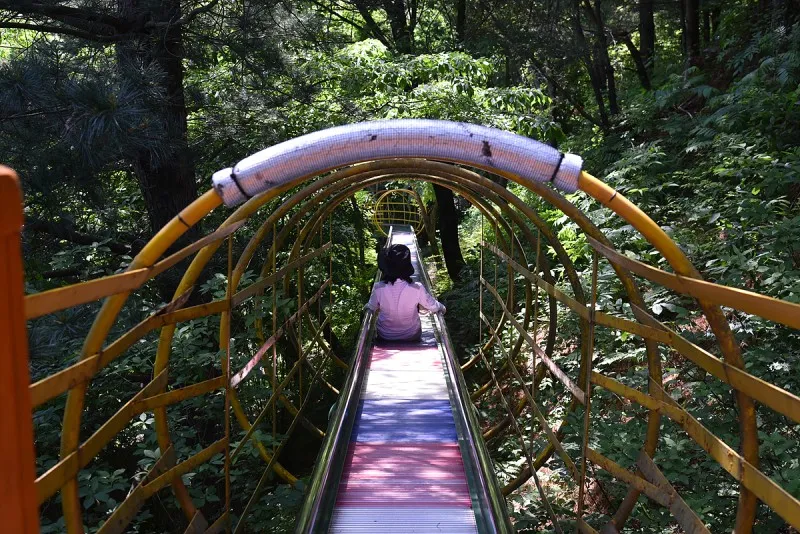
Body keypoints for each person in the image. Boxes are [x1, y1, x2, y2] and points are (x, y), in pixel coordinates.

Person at [366, 244, 446, 341]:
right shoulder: (417, 288)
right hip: (411, 335)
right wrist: (442, 308)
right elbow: (433, 306)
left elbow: (370, 307)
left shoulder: (378, 287)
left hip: (385, 335)